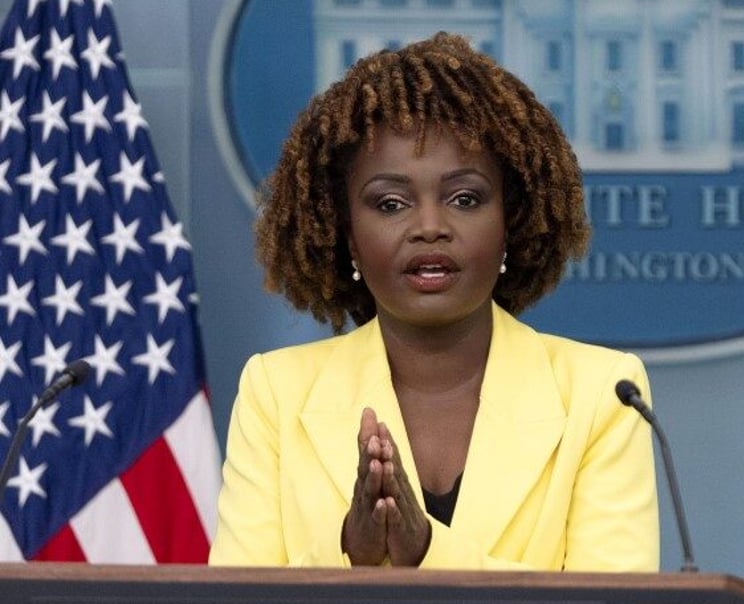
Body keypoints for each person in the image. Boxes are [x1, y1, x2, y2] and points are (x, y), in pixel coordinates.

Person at [208, 32, 659, 570]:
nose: (429, 227)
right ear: (347, 234)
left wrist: (426, 550)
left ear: (510, 223)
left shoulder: (602, 394)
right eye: (391, 202)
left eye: (465, 198)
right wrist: (351, 551)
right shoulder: (276, 393)